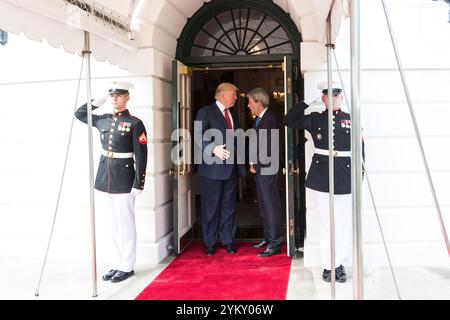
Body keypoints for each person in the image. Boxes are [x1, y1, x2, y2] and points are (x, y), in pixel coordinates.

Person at [284, 81, 363, 283]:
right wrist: (306, 101)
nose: (334, 98)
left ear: (342, 97)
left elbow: (360, 149)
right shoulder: (314, 119)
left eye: (337, 94)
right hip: (321, 177)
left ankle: (340, 264)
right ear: (324, 99)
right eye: (329, 95)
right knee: (326, 224)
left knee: (343, 224)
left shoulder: (351, 119)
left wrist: (359, 173)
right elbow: (289, 119)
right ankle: (328, 266)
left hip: (345, 177)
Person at [75, 81, 148, 283]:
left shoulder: (135, 123)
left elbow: (141, 155)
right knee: (110, 224)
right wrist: (98, 100)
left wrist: (138, 182)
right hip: (103, 177)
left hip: (124, 178)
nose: (115, 98)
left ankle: (127, 265)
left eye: (119, 95)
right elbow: (80, 114)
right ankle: (117, 262)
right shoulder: (104, 120)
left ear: (127, 97)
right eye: (112, 95)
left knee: (125, 223)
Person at [194, 82, 246, 256]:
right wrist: (212, 149)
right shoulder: (205, 112)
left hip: (230, 169)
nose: (236, 98)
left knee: (228, 206)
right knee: (211, 208)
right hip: (211, 171)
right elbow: (197, 135)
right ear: (223, 95)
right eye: (234, 94)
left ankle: (227, 240)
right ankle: (210, 242)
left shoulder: (232, 114)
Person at [247, 88, 283, 257]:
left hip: (268, 169)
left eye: (250, 102)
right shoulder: (260, 119)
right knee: (263, 206)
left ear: (259, 103)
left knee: (271, 206)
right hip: (262, 168)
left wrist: (257, 163)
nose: (248, 105)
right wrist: (252, 162)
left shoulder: (270, 119)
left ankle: (275, 243)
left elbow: (269, 146)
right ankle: (268, 237)